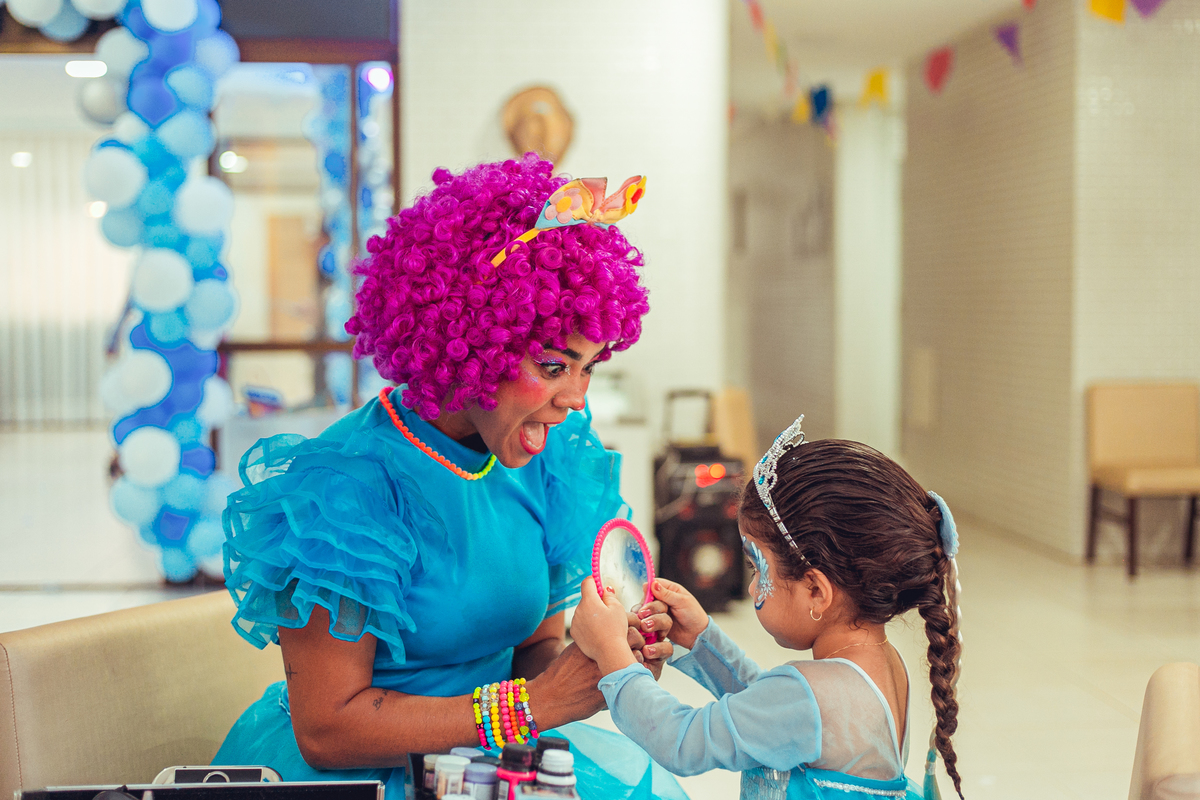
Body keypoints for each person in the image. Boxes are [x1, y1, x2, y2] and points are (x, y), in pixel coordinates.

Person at [212, 155, 683, 800]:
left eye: (589, 366)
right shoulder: (346, 490)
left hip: (495, 762)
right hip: (364, 775)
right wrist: (535, 706)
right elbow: (327, 728)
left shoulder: (551, 457)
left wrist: (596, 666)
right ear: (471, 343)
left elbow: (532, 648)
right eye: (552, 364)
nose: (576, 397)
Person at [570, 417, 965, 800]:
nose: (753, 585)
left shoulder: (807, 695)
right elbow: (769, 714)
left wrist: (612, 655)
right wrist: (702, 640)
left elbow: (681, 741)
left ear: (815, 591)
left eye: (755, 567)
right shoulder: (881, 664)